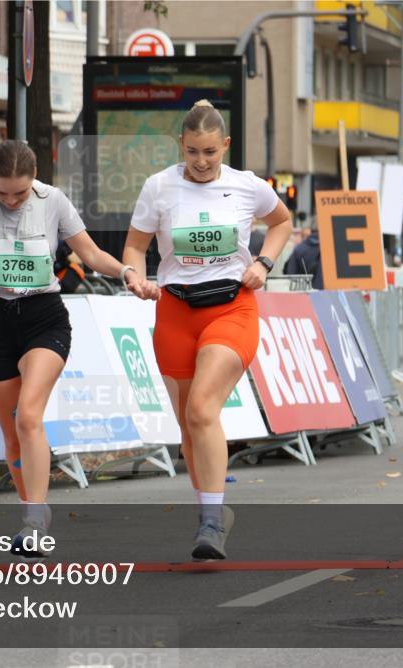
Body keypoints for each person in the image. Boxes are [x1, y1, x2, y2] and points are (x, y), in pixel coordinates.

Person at [0, 140, 158, 560]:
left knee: (30, 415)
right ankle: (32, 509)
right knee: (12, 433)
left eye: (19, 193)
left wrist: (128, 272)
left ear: (33, 179)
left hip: (44, 316)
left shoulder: (53, 200)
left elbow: (89, 253)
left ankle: (34, 524)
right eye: (2, 192)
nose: (11, 200)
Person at [122, 100, 292, 561]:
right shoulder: (159, 187)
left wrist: (264, 262)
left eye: (210, 153)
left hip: (231, 307)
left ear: (226, 147)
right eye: (193, 151)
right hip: (176, 311)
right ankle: (212, 509)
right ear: (182, 145)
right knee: (188, 428)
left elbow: (282, 222)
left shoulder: (246, 186)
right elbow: (135, 247)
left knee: (201, 409)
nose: (201, 162)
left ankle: (211, 522)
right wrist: (134, 276)